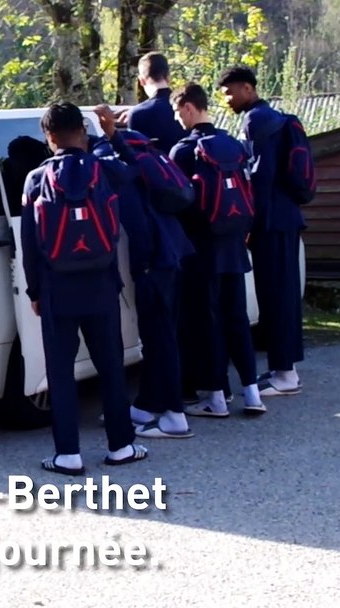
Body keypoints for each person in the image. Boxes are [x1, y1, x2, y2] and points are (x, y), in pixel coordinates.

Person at [20, 102, 149, 476]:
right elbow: (136, 171)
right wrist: (113, 136)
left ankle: (68, 454)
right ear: (83, 130)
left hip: (56, 288)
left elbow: (30, 242)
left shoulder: (34, 179)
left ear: (49, 137)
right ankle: (122, 446)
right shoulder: (105, 170)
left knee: (60, 371)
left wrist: (33, 292)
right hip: (101, 283)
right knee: (110, 365)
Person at [91, 105, 195, 439]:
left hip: (155, 259)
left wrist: (144, 260)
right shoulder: (144, 152)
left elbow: (135, 218)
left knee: (158, 337)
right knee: (163, 335)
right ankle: (148, 404)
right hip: (176, 251)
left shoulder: (111, 161)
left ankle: (175, 417)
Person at [169, 83, 265, 418]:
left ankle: (216, 396)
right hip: (235, 246)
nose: (177, 119)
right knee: (237, 318)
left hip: (200, 249)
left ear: (188, 108)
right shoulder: (233, 146)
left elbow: (176, 202)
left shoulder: (182, 152)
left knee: (205, 321)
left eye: (177, 112)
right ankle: (252, 393)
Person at [218, 66, 305, 397]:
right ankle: (287, 367)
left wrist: (247, 221)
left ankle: (286, 375)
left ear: (248, 89)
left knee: (276, 296)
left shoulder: (256, 121)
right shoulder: (274, 118)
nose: (227, 99)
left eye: (230, 92)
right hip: (285, 218)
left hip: (271, 221)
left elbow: (259, 175)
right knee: (281, 294)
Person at [118, 52, 189, 155]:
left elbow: (136, 157)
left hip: (157, 170)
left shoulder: (138, 114)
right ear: (169, 77)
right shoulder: (187, 105)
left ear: (141, 81)